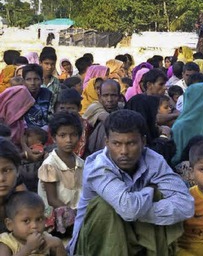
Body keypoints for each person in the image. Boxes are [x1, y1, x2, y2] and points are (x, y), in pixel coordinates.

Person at [68, 109, 194, 255]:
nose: (124, 151)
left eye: (131, 143)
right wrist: (149, 191)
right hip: (96, 242)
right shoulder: (98, 168)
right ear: (106, 143)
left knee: (155, 197)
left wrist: (136, 210)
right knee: (105, 207)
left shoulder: (154, 161)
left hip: (135, 234)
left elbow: (185, 205)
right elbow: (128, 209)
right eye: (116, 143)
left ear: (143, 141)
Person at [37, 112, 84, 235]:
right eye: (62, 135)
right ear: (53, 137)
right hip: (57, 218)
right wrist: (75, 214)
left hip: (78, 213)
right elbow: (52, 200)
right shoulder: (50, 165)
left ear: (79, 136)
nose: (68, 140)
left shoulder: (81, 163)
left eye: (73, 135)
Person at [0, 191, 65, 255]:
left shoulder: (46, 239)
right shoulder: (7, 242)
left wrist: (58, 245)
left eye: (39, 219)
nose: (34, 226)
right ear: (10, 225)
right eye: (26, 221)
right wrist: (28, 248)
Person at [83, 80, 121, 157]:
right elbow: (109, 119)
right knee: (105, 125)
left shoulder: (119, 107)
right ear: (100, 97)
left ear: (119, 96)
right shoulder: (94, 107)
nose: (109, 100)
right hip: (90, 151)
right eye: (105, 95)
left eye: (113, 95)